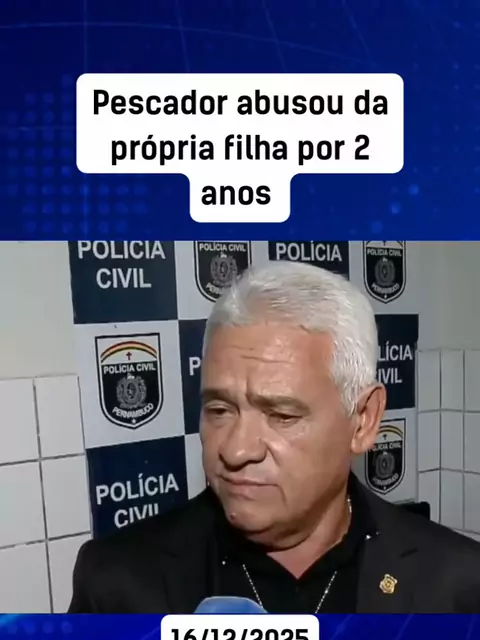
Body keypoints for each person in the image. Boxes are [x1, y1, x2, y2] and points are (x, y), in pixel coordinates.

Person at [68, 261, 480, 614]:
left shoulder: (455, 585)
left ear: (364, 421)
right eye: (219, 410)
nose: (235, 450)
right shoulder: (116, 584)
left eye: (282, 415)